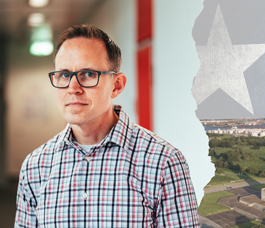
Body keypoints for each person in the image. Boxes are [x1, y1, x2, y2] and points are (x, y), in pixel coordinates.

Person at [15, 24, 199, 227]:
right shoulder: (35, 167)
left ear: (116, 85)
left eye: (88, 74)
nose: (73, 88)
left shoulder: (164, 163)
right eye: (64, 75)